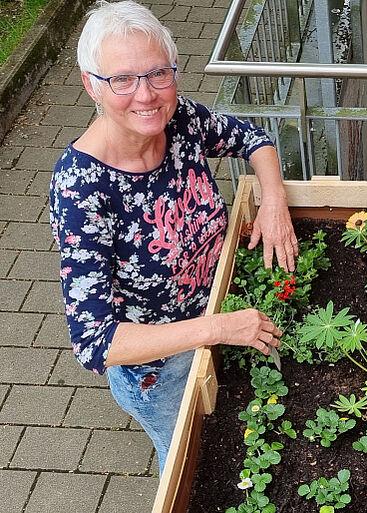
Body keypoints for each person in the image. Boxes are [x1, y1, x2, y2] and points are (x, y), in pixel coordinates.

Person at [49, 0, 298, 474]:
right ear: (90, 86)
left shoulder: (178, 118)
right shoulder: (81, 189)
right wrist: (219, 328)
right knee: (193, 468)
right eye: (122, 79)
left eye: (158, 73)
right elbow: (94, 343)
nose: (146, 95)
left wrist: (273, 202)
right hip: (161, 373)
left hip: (225, 315)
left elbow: (253, 138)